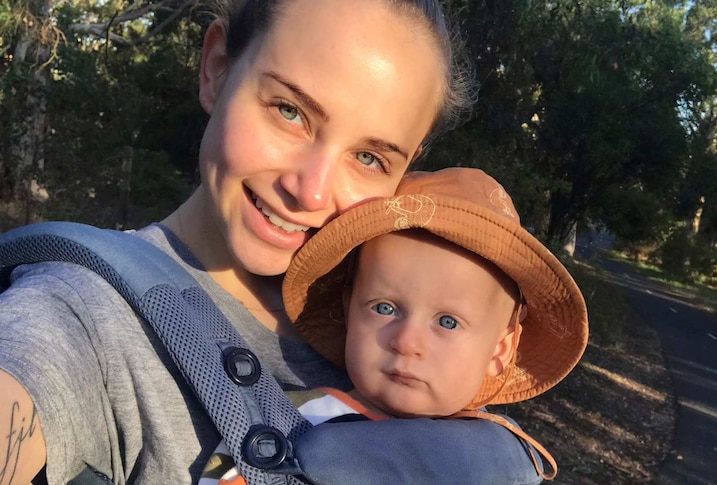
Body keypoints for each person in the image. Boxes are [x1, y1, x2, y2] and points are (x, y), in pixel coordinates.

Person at [0, 1, 549, 484]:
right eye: (290, 111)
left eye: (369, 158)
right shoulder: (83, 313)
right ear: (217, 67)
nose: (309, 190)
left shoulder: (400, 325)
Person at [202, 167, 590, 484]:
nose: (406, 342)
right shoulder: (292, 424)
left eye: (448, 322)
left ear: (500, 351)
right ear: (349, 310)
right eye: (385, 307)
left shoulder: (503, 457)